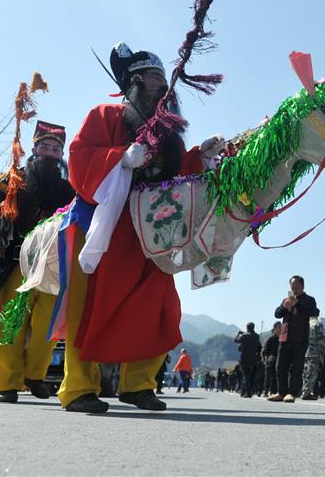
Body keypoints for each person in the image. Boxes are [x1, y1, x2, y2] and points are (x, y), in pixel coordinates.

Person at [58, 44, 223, 413]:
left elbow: (177, 177)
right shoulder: (104, 115)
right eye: (152, 77)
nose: (161, 85)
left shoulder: (169, 134)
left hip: (151, 232)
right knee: (88, 306)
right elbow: (80, 159)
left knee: (160, 306)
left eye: (163, 79)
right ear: (132, 83)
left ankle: (138, 384)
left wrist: (201, 157)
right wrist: (120, 159)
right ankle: (79, 388)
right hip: (104, 225)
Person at [0, 119, 75, 403]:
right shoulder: (13, 180)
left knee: (48, 325)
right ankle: (7, 382)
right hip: (16, 261)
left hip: (53, 265)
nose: (50, 153)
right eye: (45, 147)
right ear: (35, 150)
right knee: (11, 322)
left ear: (62, 154)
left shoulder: (70, 188)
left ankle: (35, 375)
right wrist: (1, 218)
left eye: (56, 149)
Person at [269, 275, 319, 403]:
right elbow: (277, 314)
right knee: (280, 366)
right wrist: (284, 307)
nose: (294, 289)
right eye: (292, 287)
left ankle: (292, 393)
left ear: (303, 286)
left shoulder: (309, 300)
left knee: (296, 368)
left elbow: (313, 313)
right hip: (284, 337)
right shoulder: (286, 300)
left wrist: (297, 304)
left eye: (297, 287)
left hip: (300, 338)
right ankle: (281, 392)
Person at [301, 316, 325, 400]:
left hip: (304, 352)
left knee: (305, 373)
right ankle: (307, 392)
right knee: (312, 373)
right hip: (314, 352)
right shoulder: (317, 324)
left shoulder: (304, 323)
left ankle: (304, 391)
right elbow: (321, 340)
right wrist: (321, 354)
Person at [234, 322, 262, 398]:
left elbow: (236, 340)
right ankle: (245, 391)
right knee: (250, 376)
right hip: (253, 359)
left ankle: (248, 393)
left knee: (246, 375)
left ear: (247, 328)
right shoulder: (257, 336)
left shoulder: (244, 335)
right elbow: (259, 347)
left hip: (244, 358)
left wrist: (238, 334)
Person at [262, 322, 281, 397]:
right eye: (279, 327)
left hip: (280, 360)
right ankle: (266, 391)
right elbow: (264, 351)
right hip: (271, 360)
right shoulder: (271, 339)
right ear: (275, 329)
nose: (280, 329)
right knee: (268, 377)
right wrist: (264, 360)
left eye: (281, 327)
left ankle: (274, 392)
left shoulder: (282, 339)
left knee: (276, 377)